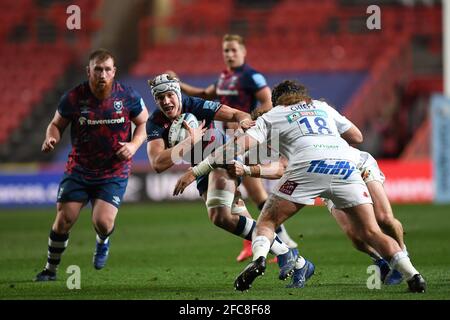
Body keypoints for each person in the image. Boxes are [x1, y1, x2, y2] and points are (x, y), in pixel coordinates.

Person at [173, 80, 426, 293]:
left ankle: (260, 259)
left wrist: (196, 170)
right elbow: (358, 137)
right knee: (370, 232)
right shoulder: (322, 106)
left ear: (277, 101)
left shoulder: (274, 115)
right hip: (346, 167)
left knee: (267, 221)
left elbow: (235, 148)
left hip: (308, 168)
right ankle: (412, 275)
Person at [146, 73, 300, 281]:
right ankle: (295, 259)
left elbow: (238, 114)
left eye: (170, 95)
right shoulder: (155, 122)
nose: (166, 101)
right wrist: (188, 143)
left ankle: (286, 254)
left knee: (218, 215)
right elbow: (158, 163)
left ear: (178, 94)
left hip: (222, 158)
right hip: (201, 168)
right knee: (234, 222)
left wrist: (244, 121)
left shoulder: (196, 105)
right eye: (160, 97)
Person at [167, 34, 297, 262]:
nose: (229, 54)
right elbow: (206, 95)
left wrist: (248, 121)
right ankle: (261, 240)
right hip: (226, 139)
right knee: (243, 191)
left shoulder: (251, 76)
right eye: (226, 50)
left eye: (234, 50)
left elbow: (268, 102)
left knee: (253, 192)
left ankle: (279, 241)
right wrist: (180, 85)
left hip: (242, 138)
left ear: (244, 52)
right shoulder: (225, 77)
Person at [35, 49, 149, 281]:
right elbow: (56, 124)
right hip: (79, 169)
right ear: (89, 71)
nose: (102, 74)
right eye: (98, 69)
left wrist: (134, 145)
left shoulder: (127, 96)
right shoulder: (74, 97)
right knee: (64, 221)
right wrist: (51, 137)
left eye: (107, 69)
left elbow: (144, 122)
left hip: (113, 171)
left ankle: (103, 241)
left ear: (114, 72)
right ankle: (50, 269)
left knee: (103, 223)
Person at [228, 147, 408, 287]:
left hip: (356, 165)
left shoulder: (294, 127)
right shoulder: (277, 141)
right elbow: (281, 167)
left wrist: (247, 170)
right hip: (327, 175)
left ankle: (402, 259)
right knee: (355, 235)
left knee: (383, 218)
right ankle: (381, 260)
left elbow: (356, 135)